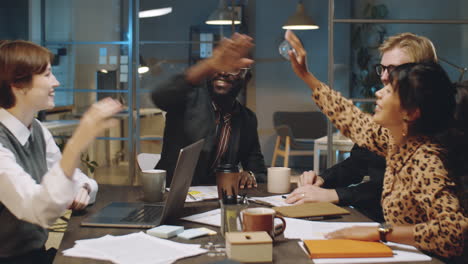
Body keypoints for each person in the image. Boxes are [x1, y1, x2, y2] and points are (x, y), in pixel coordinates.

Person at [285, 30, 467, 258]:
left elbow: (453, 232)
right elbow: (352, 119)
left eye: (390, 88)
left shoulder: (426, 159)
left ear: (411, 111)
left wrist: (381, 232)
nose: (379, 92)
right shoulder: (396, 141)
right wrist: (305, 75)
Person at [286, 32, 438, 222]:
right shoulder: (389, 134)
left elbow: (450, 231)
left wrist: (384, 234)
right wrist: (323, 180)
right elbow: (354, 125)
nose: (383, 78)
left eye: (392, 71)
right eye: (382, 69)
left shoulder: (429, 152)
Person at [0, 40, 122, 263]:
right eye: (47, 75)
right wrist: (76, 144)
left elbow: (78, 180)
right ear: (17, 85)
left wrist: (83, 187)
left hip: (34, 254)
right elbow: (37, 209)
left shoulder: (37, 129)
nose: (55, 82)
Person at [152, 33, 266, 187]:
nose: (224, 72)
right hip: (172, 195)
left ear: (246, 79)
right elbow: (160, 96)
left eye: (234, 68)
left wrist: (249, 175)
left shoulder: (247, 119)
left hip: (217, 200)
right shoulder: (187, 99)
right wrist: (210, 64)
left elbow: (258, 170)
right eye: (220, 66)